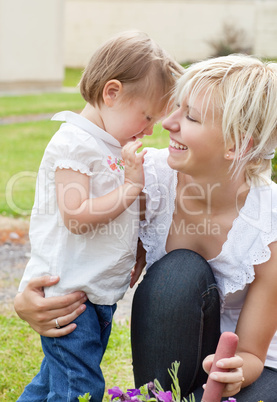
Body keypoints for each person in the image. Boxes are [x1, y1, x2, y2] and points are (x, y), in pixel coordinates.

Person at [14, 54, 277, 401]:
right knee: (178, 271)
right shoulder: (144, 178)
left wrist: (237, 370)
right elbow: (71, 234)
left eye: (191, 116)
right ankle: (161, 395)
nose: (168, 122)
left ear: (237, 145)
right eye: (176, 107)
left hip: (256, 360)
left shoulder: (267, 222)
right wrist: (27, 299)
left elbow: (254, 354)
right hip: (176, 338)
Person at [16, 30, 183, 402]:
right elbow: (75, 215)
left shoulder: (108, 144)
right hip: (68, 294)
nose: (151, 129)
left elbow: (121, 222)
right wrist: (129, 187)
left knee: (53, 381)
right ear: (112, 93)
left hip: (92, 293)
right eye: (147, 116)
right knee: (80, 387)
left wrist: (135, 254)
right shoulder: (74, 143)